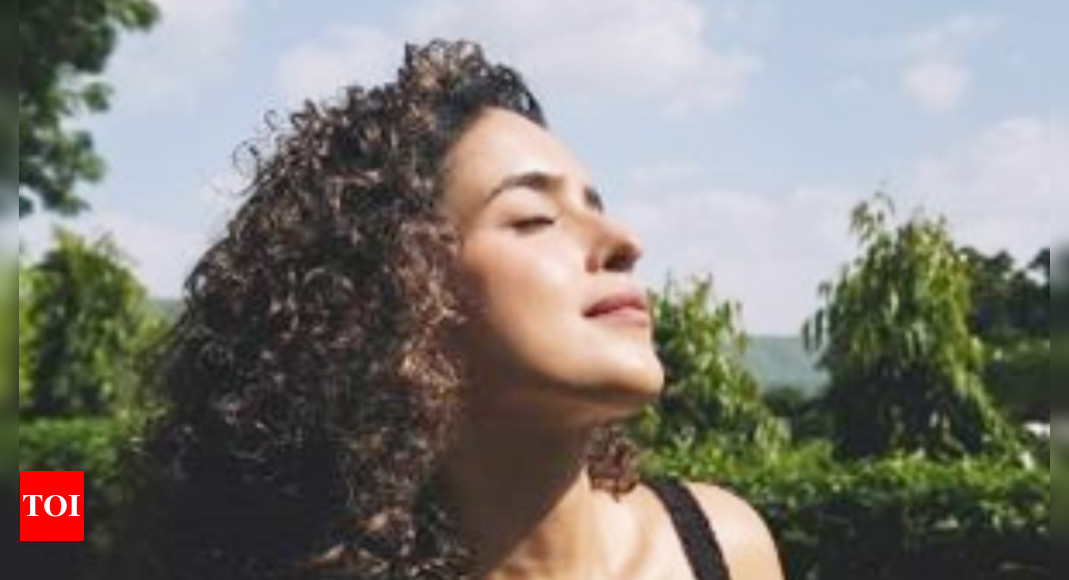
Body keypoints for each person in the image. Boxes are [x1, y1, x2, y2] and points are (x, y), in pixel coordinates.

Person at [117, 39, 785, 580]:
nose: (623, 243)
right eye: (533, 218)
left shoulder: (725, 548)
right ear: (397, 296)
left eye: (595, 205)